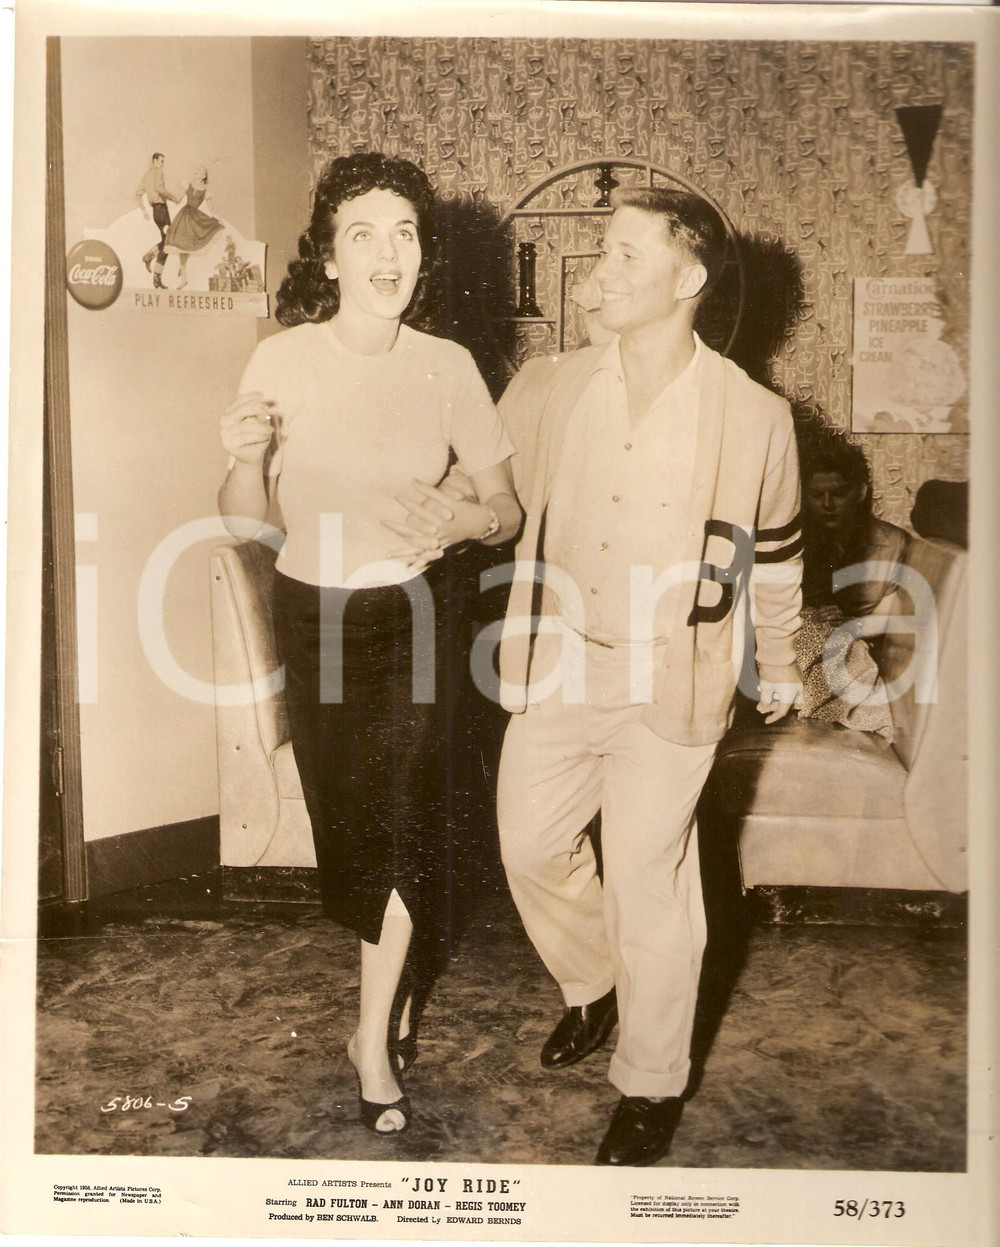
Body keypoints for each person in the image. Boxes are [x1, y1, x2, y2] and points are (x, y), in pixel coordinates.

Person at [493, 187, 802, 1166]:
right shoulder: (545, 386)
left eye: (626, 255)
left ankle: (649, 1080)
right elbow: (486, 495)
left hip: (671, 678)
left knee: (647, 879)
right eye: (600, 253)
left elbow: (780, 558)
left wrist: (783, 658)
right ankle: (593, 980)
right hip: (559, 664)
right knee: (528, 843)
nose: (599, 273)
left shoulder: (755, 418)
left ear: (688, 278)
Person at [217, 152, 520, 1137]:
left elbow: (506, 509)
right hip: (318, 619)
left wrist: (458, 523)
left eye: (406, 233)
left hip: (418, 615)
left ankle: (372, 1039)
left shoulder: (449, 367)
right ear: (331, 257)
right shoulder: (282, 360)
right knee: (352, 834)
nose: (390, 252)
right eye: (364, 233)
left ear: (422, 254)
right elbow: (246, 523)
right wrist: (251, 457)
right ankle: (376, 1014)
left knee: (397, 831)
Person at [795, 433, 910, 739]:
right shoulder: (795, 543)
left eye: (839, 493)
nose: (828, 505)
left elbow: (888, 617)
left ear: (861, 491)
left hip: (856, 649)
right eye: (817, 496)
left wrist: (850, 627)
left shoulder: (894, 543)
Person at [154, 165, 224, 291]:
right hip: (184, 216)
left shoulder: (206, 191)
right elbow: (177, 199)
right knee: (181, 245)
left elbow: (211, 209)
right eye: (196, 170)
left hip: (195, 218)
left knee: (188, 245)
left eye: (199, 171)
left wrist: (215, 217)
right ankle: (184, 276)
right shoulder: (188, 185)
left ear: (204, 176)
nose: (196, 172)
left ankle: (183, 270)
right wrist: (164, 195)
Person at [135, 152, 180, 280]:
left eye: (163, 162)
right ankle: (157, 275)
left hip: (156, 212)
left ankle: (149, 257)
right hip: (162, 210)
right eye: (161, 161)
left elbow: (137, 194)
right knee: (169, 242)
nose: (162, 164)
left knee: (168, 241)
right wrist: (174, 198)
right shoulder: (158, 172)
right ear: (154, 161)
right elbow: (160, 189)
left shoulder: (146, 175)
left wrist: (143, 210)